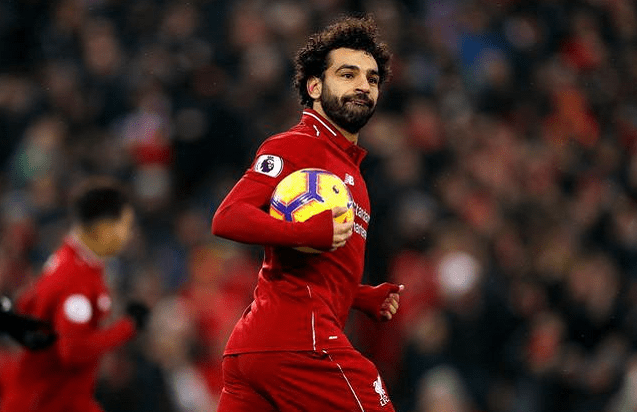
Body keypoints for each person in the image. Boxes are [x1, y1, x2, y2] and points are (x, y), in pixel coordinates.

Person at [212, 15, 404, 411]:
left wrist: (358, 296)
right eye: (348, 75)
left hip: (259, 348)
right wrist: (303, 233)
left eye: (372, 79)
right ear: (314, 86)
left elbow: (309, 271)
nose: (363, 86)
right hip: (300, 343)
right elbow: (228, 217)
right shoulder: (296, 146)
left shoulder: (351, 170)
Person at [0, 177, 149, 412]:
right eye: (125, 226)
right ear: (103, 229)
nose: (129, 235)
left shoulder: (67, 258)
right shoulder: (77, 279)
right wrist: (127, 326)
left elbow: (27, 304)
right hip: (50, 403)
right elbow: (72, 351)